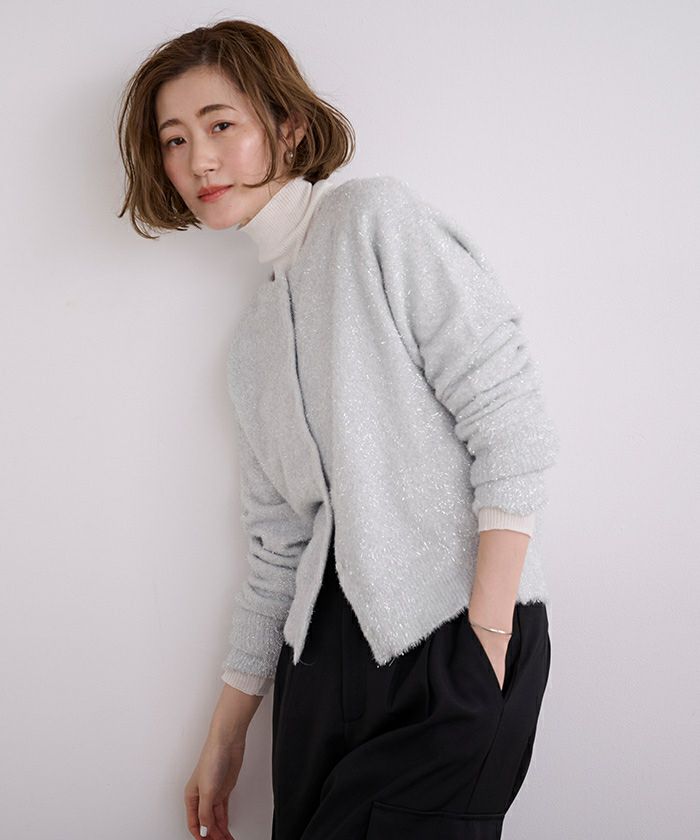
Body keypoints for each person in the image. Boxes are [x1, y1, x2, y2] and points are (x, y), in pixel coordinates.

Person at [116, 19, 559, 840]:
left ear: (289, 127)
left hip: (448, 643)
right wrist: (226, 736)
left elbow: (512, 421)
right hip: (317, 672)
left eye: (221, 124)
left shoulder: (372, 219)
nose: (199, 160)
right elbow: (278, 551)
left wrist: (487, 639)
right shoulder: (252, 346)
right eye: (174, 140)